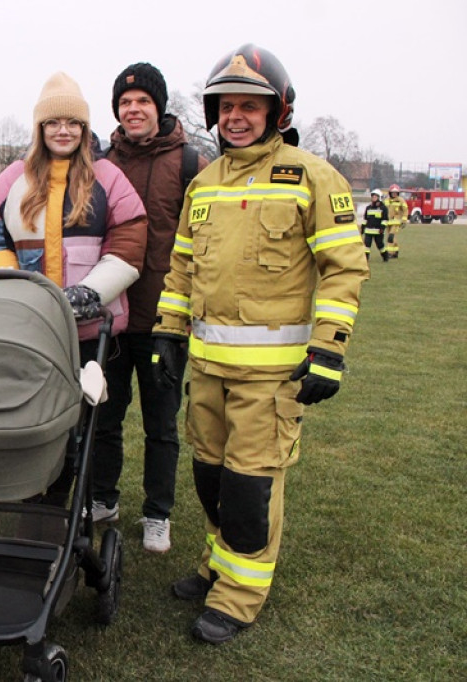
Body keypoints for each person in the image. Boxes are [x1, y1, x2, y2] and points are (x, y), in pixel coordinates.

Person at [152, 44, 368, 644]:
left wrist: (329, 350)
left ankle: (240, 595)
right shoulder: (205, 182)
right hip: (209, 370)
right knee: (211, 479)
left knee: (250, 488)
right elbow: (182, 266)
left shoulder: (312, 177)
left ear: (278, 112)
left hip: (272, 378)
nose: (236, 117)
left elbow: (345, 269)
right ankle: (218, 565)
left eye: (251, 106)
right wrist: (169, 335)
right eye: (227, 107)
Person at [0, 72, 148, 510]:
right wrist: (15, 288)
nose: (63, 131)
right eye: (54, 123)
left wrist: (89, 295)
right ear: (40, 128)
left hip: (93, 332)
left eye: (73, 123)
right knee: (38, 419)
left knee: (98, 422)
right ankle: (40, 498)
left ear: (85, 129)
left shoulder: (109, 178)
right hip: (35, 330)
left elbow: (130, 243)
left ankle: (98, 500)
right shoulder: (12, 180)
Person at [103, 62, 209, 553]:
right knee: (103, 415)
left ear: (159, 107)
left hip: (166, 321)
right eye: (125, 103)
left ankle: (156, 514)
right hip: (110, 318)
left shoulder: (190, 163)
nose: (133, 109)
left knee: (161, 426)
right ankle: (103, 497)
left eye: (143, 101)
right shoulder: (102, 163)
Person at [362, 189, 390, 262]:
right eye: (373, 196)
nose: (373, 198)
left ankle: (385, 256)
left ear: (379, 197)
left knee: (380, 245)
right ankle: (365, 259)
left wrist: (382, 228)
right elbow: (365, 219)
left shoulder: (383, 208)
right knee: (366, 246)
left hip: (378, 231)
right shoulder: (368, 208)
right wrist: (362, 228)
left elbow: (385, 219)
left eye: (375, 197)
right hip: (368, 230)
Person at [384, 184, 407, 259]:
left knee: (391, 237)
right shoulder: (386, 200)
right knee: (392, 237)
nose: (394, 194)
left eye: (396, 192)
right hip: (388, 222)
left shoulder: (401, 200)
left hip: (396, 222)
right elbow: (384, 210)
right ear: (390, 192)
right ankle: (395, 252)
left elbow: (405, 210)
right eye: (393, 192)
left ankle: (390, 253)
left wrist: (404, 220)